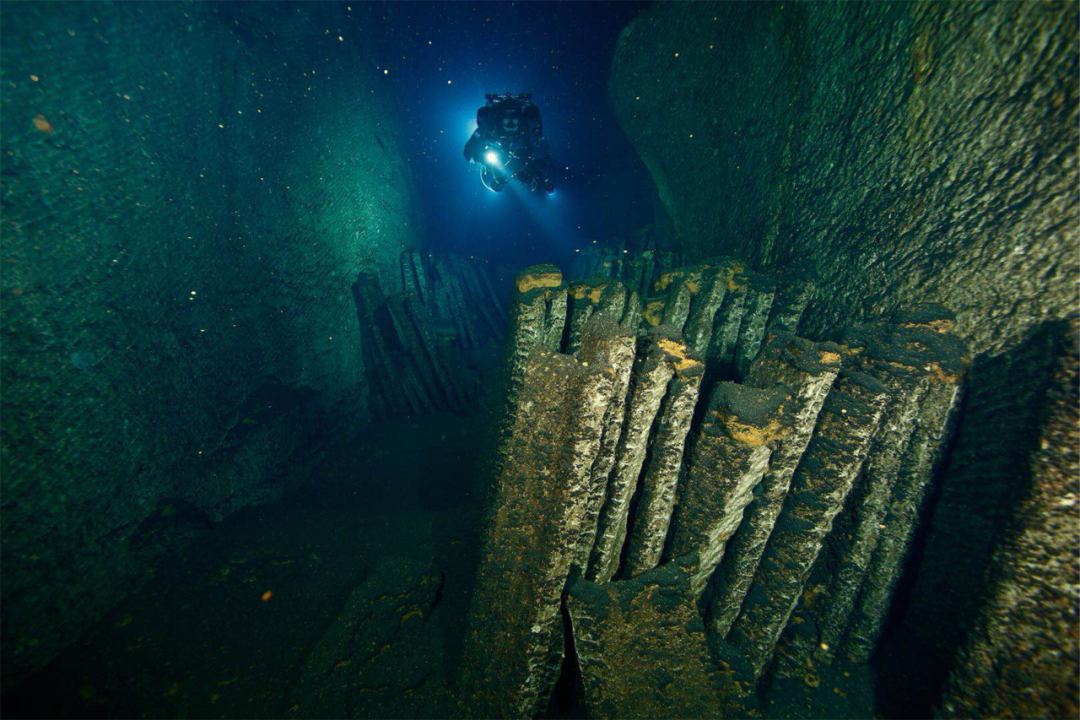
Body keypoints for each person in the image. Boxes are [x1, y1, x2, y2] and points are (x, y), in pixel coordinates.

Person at [464, 93, 554, 193]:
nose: (510, 122)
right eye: (507, 118)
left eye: (514, 118)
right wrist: (482, 158)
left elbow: (544, 149)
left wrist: (538, 162)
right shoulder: (489, 128)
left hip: (523, 162)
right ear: (500, 119)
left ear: (520, 120)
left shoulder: (528, 128)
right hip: (500, 160)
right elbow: (469, 153)